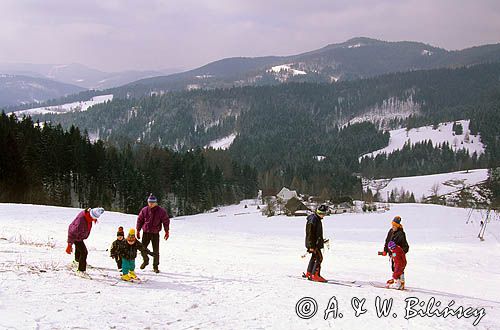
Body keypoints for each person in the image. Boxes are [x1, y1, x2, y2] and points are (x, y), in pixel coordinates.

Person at [66, 207, 105, 278]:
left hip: (79, 236)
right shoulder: (81, 221)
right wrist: (69, 244)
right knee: (84, 252)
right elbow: (72, 232)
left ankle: (77, 261)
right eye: (93, 218)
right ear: (91, 216)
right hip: (75, 236)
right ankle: (81, 270)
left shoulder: (88, 213)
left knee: (79, 249)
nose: (94, 220)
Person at [136, 194, 170, 273]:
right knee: (142, 248)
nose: (151, 204)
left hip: (155, 233)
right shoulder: (144, 210)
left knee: (156, 251)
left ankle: (155, 266)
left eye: (152, 202)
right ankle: (146, 261)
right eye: (149, 202)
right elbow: (140, 220)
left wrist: (166, 231)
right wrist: (138, 230)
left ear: (156, 203)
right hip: (146, 232)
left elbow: (166, 221)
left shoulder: (161, 211)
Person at [304, 204, 328, 282]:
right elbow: (310, 233)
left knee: (314, 257)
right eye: (322, 214)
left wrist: (321, 240)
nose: (323, 216)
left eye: (324, 214)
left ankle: (309, 273)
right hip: (313, 244)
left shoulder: (316, 219)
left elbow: (316, 233)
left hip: (315, 243)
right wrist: (311, 246)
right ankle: (315, 275)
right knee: (319, 258)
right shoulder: (313, 220)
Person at [383, 215, 409, 283]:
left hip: (398, 255)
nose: (393, 227)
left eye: (395, 226)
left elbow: (406, 246)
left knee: (399, 267)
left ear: (398, 226)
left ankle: (401, 281)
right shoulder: (391, 231)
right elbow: (387, 241)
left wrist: (400, 252)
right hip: (392, 254)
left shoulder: (401, 234)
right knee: (393, 267)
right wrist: (385, 250)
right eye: (392, 225)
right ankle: (395, 280)